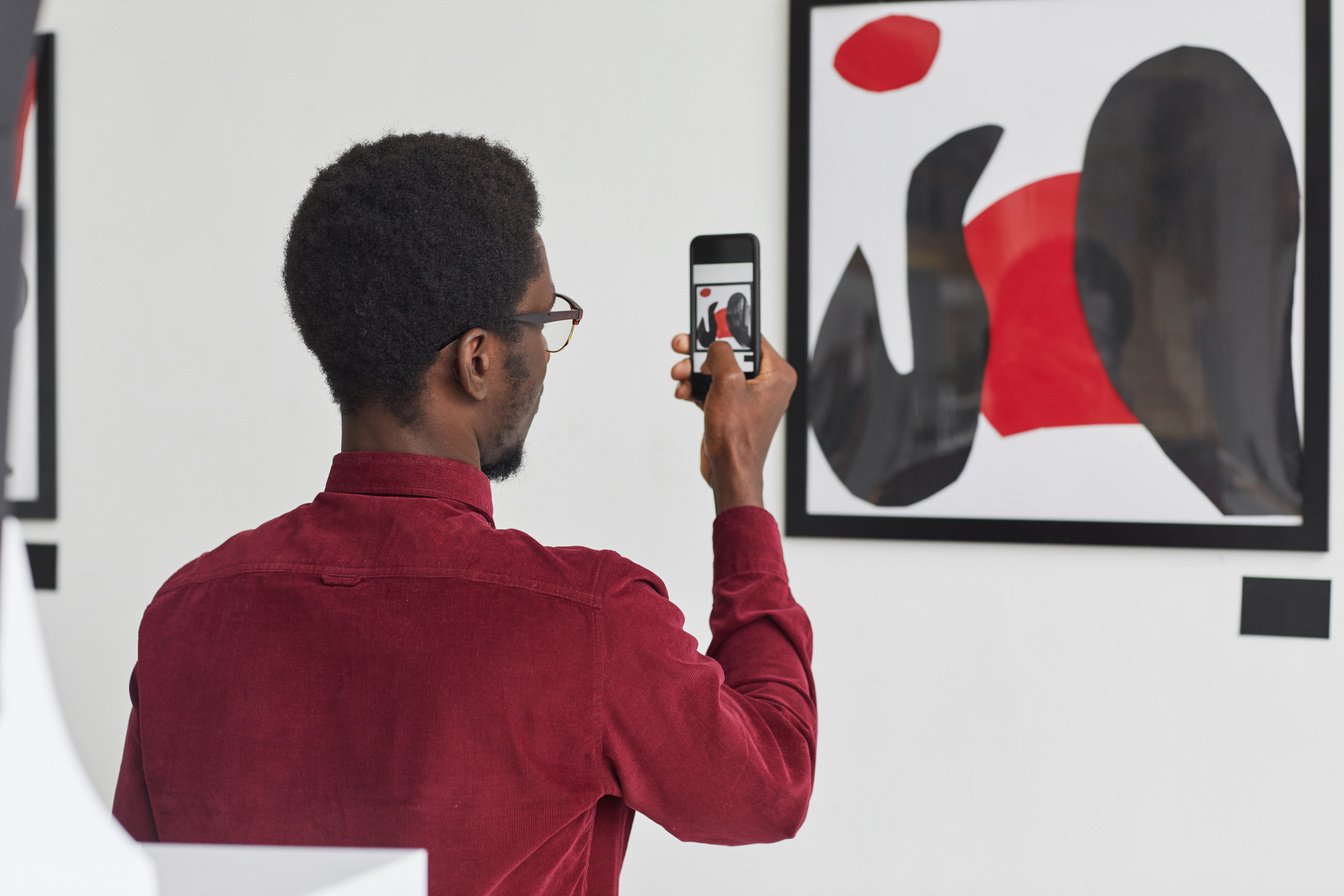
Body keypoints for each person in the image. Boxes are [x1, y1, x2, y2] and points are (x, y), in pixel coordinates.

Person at [112, 133, 816, 895]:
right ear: (477, 359)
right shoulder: (589, 620)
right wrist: (739, 483)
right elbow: (771, 782)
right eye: (545, 321)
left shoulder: (184, 617)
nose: (549, 352)